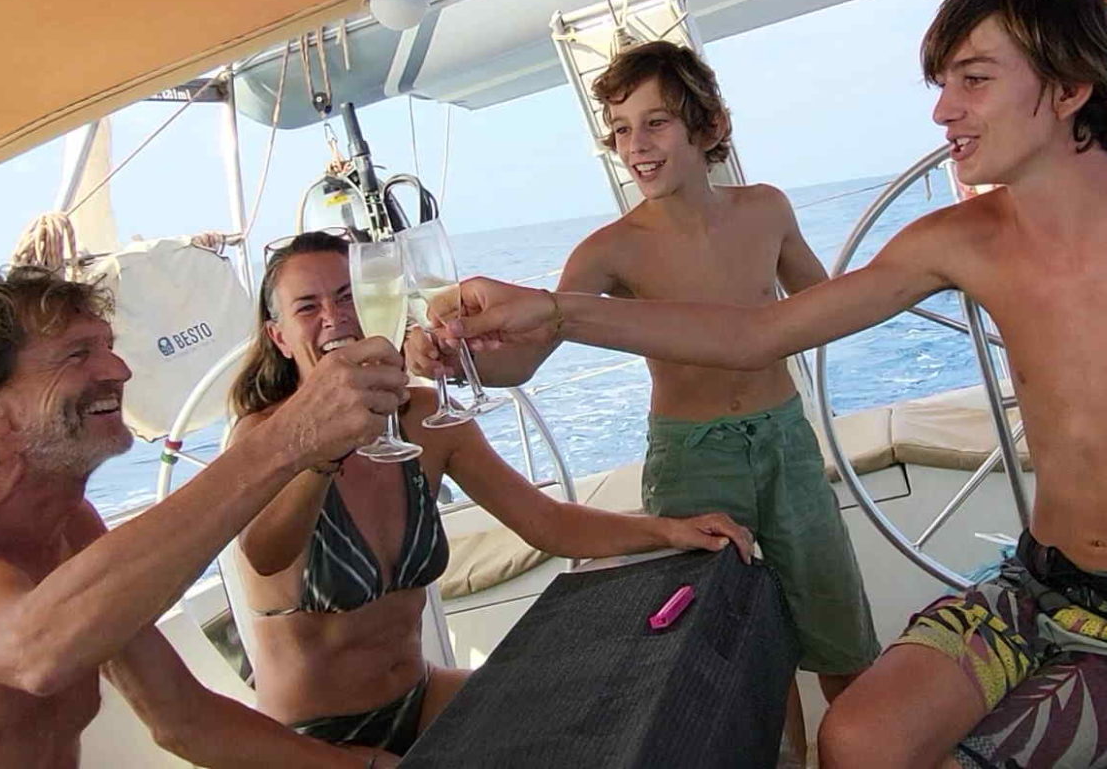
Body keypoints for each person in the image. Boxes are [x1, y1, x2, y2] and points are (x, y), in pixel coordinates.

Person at [436, 0, 1107, 769]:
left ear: (1069, 88)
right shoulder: (959, 240)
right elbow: (758, 335)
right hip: (1035, 589)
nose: (942, 111)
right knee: (856, 739)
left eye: (973, 80)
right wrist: (555, 311)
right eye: (942, 84)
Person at [447, 39, 883, 758]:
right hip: (692, 464)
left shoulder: (767, 209)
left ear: (708, 126)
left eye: (655, 123)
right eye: (621, 129)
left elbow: (826, 303)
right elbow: (525, 358)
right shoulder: (609, 250)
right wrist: (463, 355)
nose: (635, 146)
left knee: (843, 639)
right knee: (740, 660)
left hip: (787, 444)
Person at [0, 267, 412, 768]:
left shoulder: (73, 528)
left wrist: (362, 767)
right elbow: (30, 651)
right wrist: (287, 439)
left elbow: (184, 719)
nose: (119, 370)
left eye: (107, 345)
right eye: (78, 354)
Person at [228, 229, 757, 758]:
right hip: (309, 739)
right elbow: (266, 553)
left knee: (594, 729)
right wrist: (323, 448)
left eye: (348, 297)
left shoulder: (424, 417)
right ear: (279, 337)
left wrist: (668, 530)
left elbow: (547, 522)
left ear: (375, 304)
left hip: (421, 696)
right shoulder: (263, 438)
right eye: (308, 306)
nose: (334, 317)